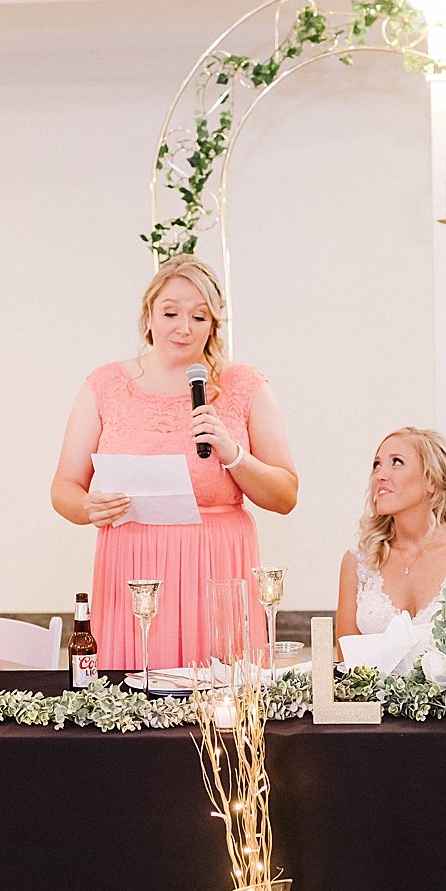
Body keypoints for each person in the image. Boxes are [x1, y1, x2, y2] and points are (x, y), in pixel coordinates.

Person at [51, 256, 297, 671]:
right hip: (133, 568)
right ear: (148, 315)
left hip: (217, 567)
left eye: (199, 317)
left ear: (213, 324)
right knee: (136, 692)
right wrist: (87, 507)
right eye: (170, 313)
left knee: (218, 695)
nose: (184, 327)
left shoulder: (244, 386)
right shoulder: (105, 385)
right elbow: (64, 487)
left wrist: (233, 454)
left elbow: (286, 495)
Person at [336, 428, 446, 638]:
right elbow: (345, 655)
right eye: (377, 465)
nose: (380, 475)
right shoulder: (357, 562)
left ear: (432, 480)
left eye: (397, 462)